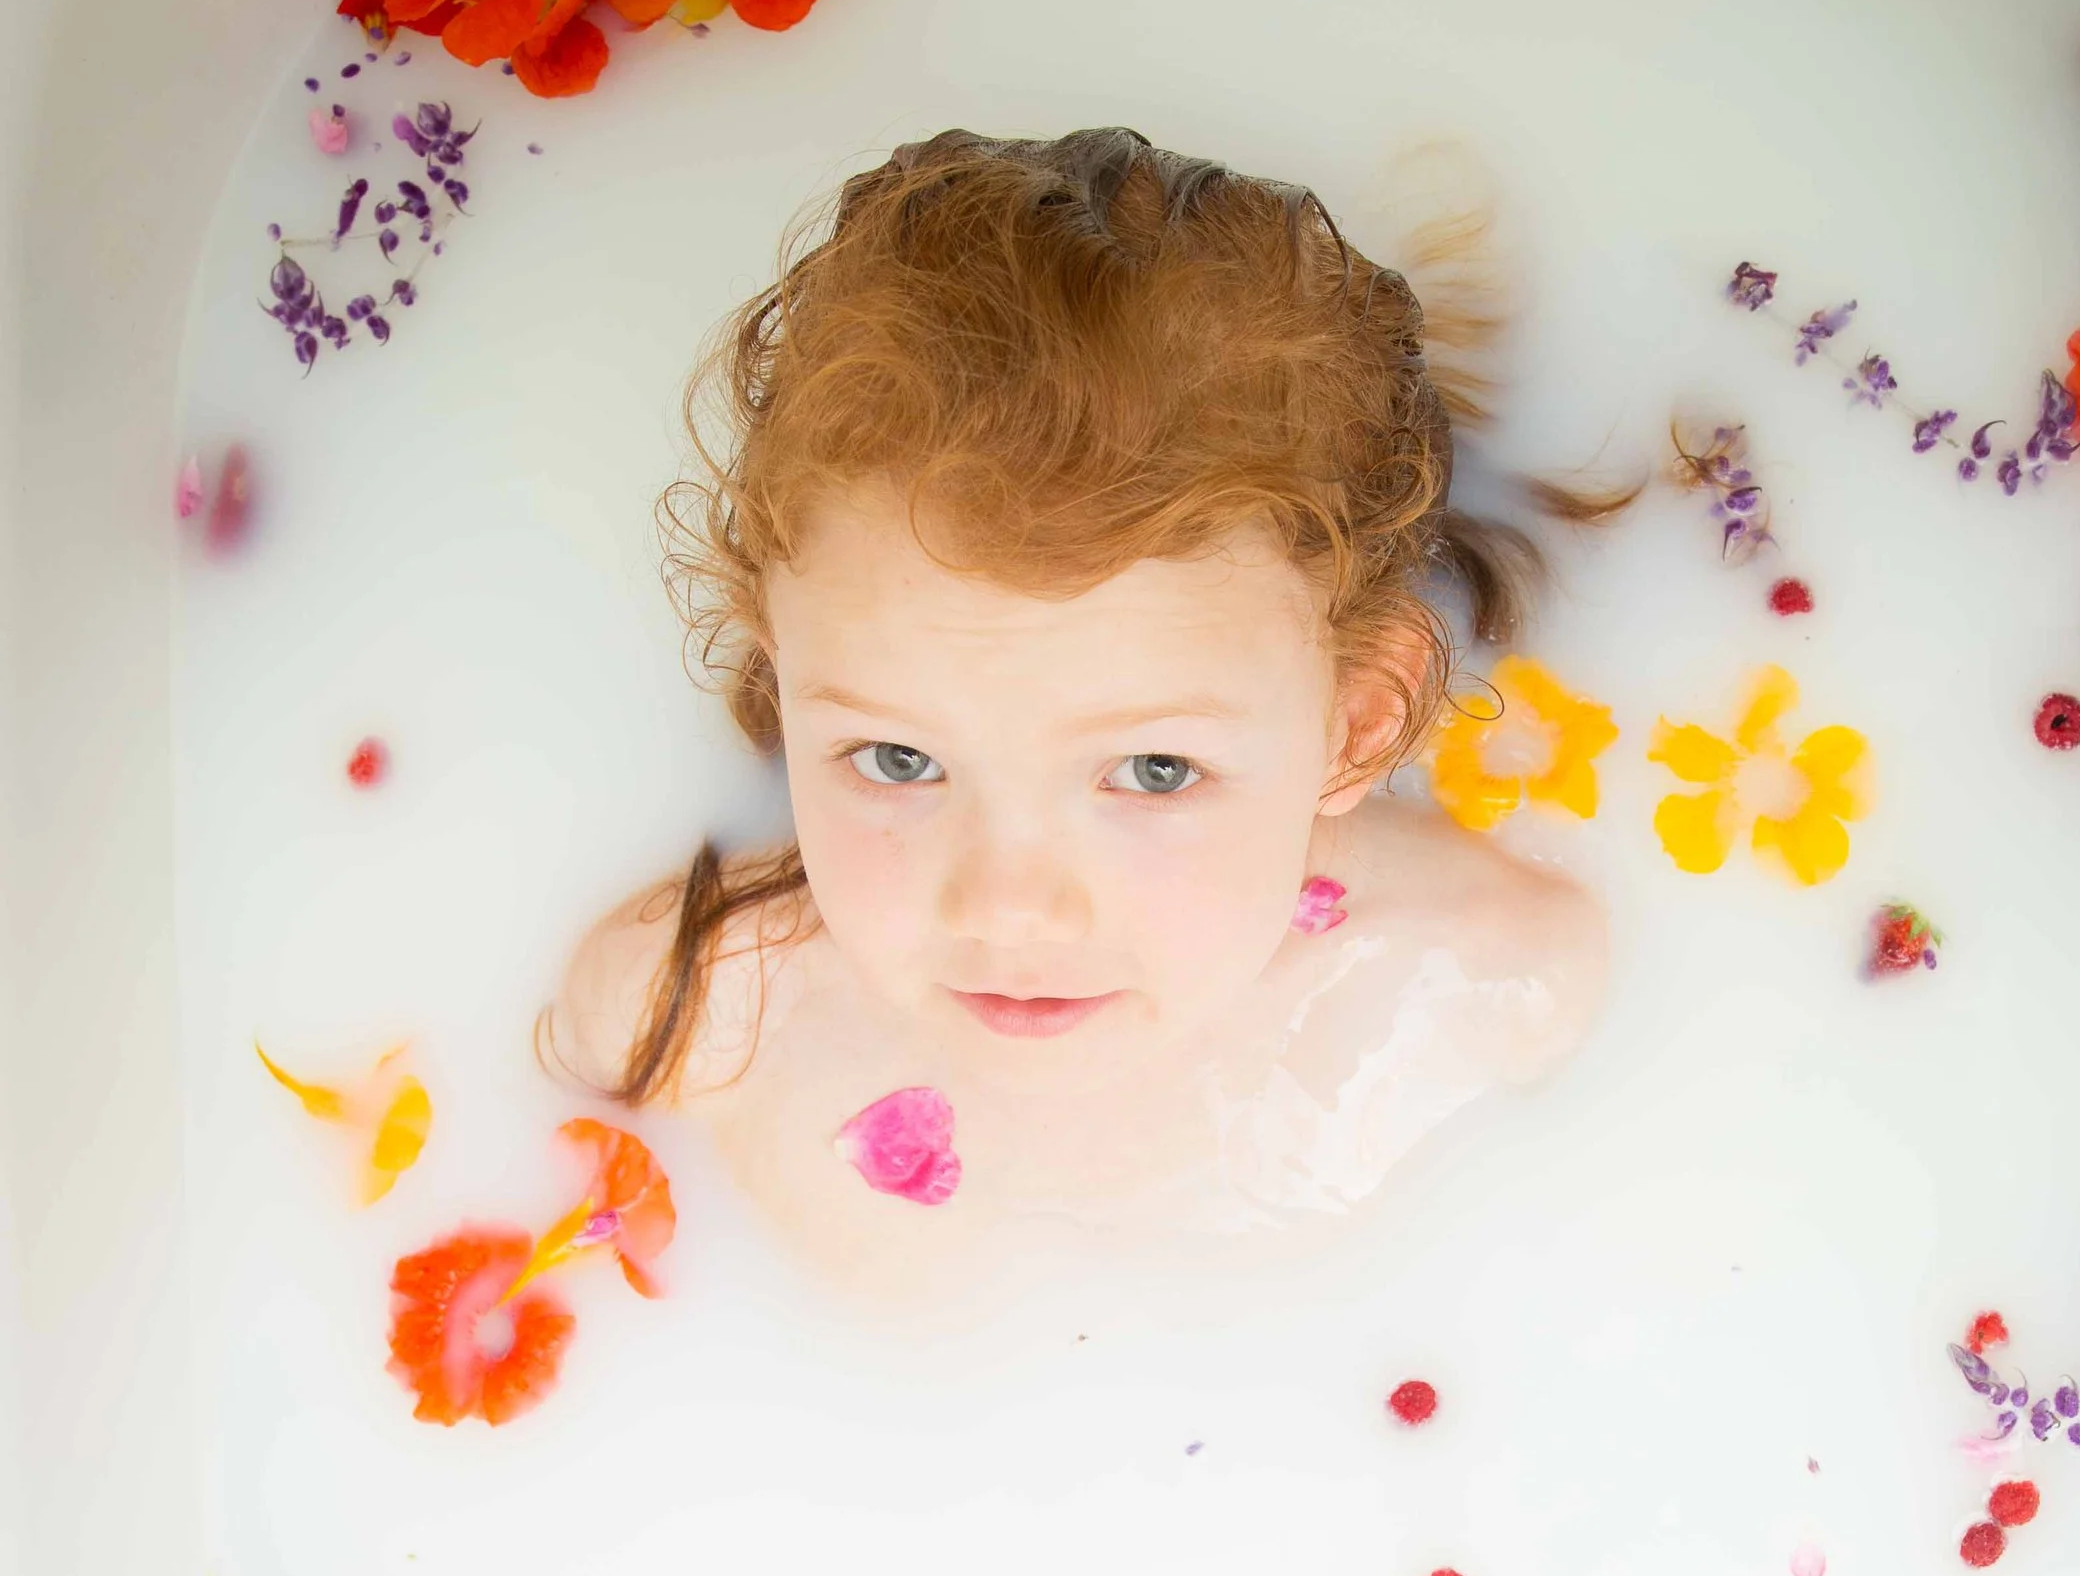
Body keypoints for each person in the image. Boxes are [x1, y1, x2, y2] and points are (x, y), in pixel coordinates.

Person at [552, 126, 1606, 1270]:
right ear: (778, 669)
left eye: (1156, 770)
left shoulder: (1484, 978)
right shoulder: (682, 1020)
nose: (1011, 914)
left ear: (1357, 723)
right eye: (897, 760)